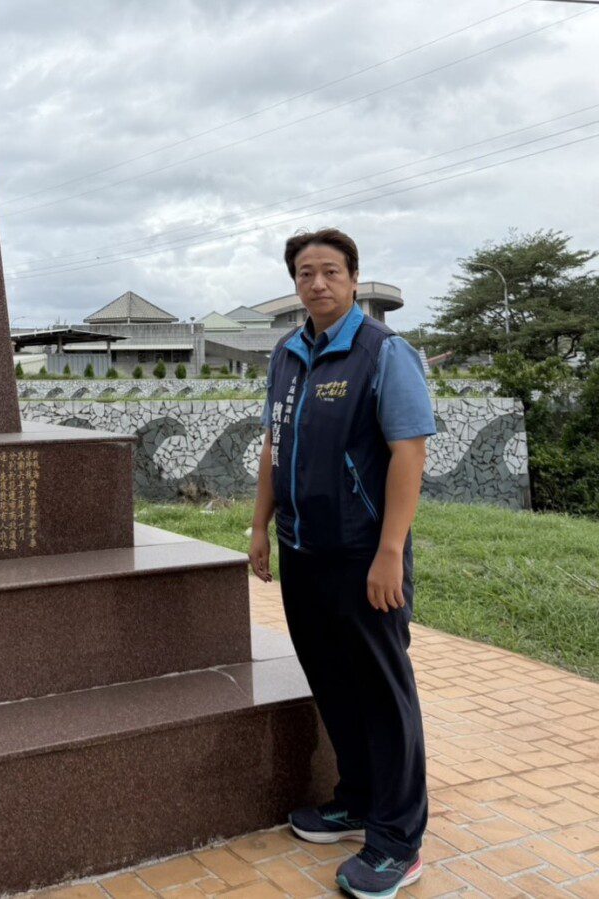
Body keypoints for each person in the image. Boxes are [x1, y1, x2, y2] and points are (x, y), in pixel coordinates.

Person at [250, 228, 434, 899]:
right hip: (302, 550)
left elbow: (409, 455)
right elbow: (272, 444)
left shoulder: (384, 353)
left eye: (330, 271)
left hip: (364, 554)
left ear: (354, 280)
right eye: (305, 272)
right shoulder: (287, 353)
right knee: (332, 681)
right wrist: (260, 527)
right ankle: (356, 797)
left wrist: (390, 552)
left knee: (383, 691)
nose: (318, 283)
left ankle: (397, 838)